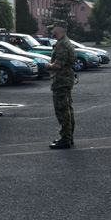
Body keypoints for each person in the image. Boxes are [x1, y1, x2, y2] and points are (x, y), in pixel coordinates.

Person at [46, 21, 76, 149]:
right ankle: (68, 136)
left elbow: (59, 64)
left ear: (59, 29)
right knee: (67, 109)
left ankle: (65, 139)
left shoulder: (62, 44)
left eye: (53, 29)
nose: (52, 31)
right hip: (65, 80)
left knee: (63, 110)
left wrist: (48, 66)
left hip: (61, 81)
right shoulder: (65, 42)